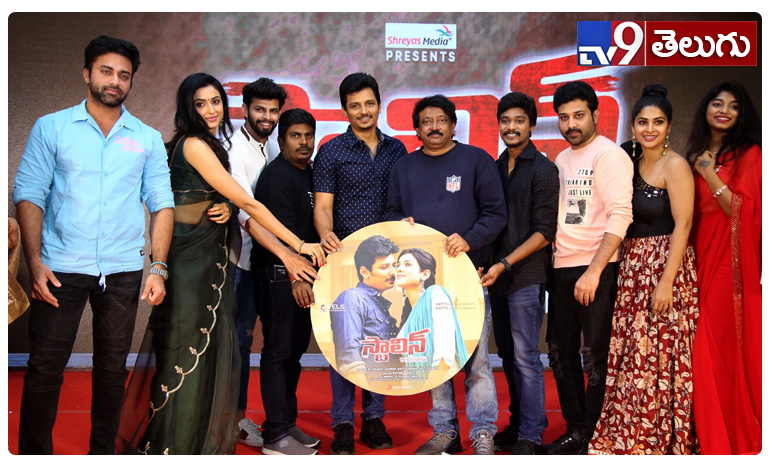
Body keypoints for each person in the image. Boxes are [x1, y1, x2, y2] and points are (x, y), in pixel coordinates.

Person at [116, 73, 324, 455]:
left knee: (210, 353)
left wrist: (226, 206)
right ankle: (174, 446)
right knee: (188, 352)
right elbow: (248, 204)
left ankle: (196, 441)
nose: (211, 110)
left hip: (212, 263)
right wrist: (295, 246)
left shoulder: (218, 145)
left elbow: (219, 198)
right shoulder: (195, 144)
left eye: (215, 101)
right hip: (192, 264)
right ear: (188, 108)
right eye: (200, 103)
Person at [12, 35, 175, 455]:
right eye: (106, 71)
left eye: (124, 75)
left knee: (111, 371)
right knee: (44, 369)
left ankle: (102, 456)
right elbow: (29, 193)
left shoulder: (147, 138)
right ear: (87, 74)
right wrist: (34, 261)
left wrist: (158, 268)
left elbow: (162, 204)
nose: (115, 81)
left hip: (122, 270)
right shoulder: (52, 127)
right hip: (59, 267)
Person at [384, 94, 507, 455]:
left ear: (453, 125)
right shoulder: (404, 168)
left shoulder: (476, 161)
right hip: (425, 282)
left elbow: (496, 214)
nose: (434, 127)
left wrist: (469, 240)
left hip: (468, 276)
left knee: (476, 358)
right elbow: (390, 213)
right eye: (426, 121)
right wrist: (400, 223)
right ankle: (445, 431)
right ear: (416, 129)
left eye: (441, 120)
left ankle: (483, 431)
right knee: (436, 357)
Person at [588, 84, 698, 455]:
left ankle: (659, 435)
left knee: (660, 354)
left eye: (658, 122)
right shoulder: (630, 162)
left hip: (666, 266)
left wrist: (666, 282)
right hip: (633, 267)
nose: (650, 129)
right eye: (642, 122)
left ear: (669, 126)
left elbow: (684, 225)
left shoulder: (675, 165)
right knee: (634, 353)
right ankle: (632, 432)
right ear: (632, 125)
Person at [312, 72, 406, 454]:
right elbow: (322, 207)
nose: (363, 111)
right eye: (355, 106)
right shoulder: (331, 151)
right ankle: (343, 423)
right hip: (343, 260)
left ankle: (374, 418)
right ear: (344, 110)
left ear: (379, 104)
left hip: (385, 263)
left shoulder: (397, 149)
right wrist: (325, 234)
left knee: (380, 338)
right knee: (345, 340)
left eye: (369, 103)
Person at [544, 80, 633, 455]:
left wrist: (594, 272)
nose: (571, 124)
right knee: (559, 354)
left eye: (578, 115)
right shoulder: (562, 159)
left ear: (596, 114)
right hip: (562, 268)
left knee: (595, 357)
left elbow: (621, 215)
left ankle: (596, 435)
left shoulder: (610, 155)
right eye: (564, 117)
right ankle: (576, 430)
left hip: (597, 268)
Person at [479, 92, 559, 455]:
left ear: (532, 125)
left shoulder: (543, 169)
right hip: (498, 277)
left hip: (525, 276)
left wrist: (505, 263)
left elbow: (544, 232)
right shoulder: (495, 167)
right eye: (505, 121)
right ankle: (516, 425)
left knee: (527, 357)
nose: (511, 127)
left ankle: (532, 434)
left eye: (519, 121)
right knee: (508, 356)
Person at [685, 81, 761, 455]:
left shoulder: (749, 155)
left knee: (712, 348)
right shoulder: (695, 154)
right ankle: (707, 436)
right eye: (718, 103)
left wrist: (708, 173)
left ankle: (725, 438)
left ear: (741, 115)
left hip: (728, 265)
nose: (724, 111)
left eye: (733, 106)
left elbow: (741, 210)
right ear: (706, 108)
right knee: (698, 350)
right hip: (697, 261)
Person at [249, 108, 321, 455]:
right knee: (278, 352)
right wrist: (295, 278)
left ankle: (285, 423)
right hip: (279, 276)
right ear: (281, 141)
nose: (303, 142)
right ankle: (276, 436)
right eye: (295, 136)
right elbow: (280, 236)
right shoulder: (276, 177)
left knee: (293, 352)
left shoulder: (308, 173)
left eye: (308, 135)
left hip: (304, 276)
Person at [227, 77, 291, 448]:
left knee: (250, 344)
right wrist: (290, 251)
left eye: (272, 111)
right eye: (259, 110)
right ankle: (229, 421)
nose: (266, 116)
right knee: (235, 346)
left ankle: (237, 419)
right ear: (245, 109)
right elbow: (246, 214)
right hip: (237, 264)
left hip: (262, 263)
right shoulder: (234, 149)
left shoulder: (272, 147)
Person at [395, 248, 468, 387]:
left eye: (407, 264)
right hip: (422, 384)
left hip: (438, 381)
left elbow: (444, 349)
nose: (399, 269)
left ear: (425, 274)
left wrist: (430, 383)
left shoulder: (436, 293)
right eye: (398, 265)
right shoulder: (409, 312)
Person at [331, 235, 400, 378]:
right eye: (385, 267)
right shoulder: (352, 297)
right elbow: (349, 355)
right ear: (364, 272)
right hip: (367, 382)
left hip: (382, 383)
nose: (393, 272)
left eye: (394, 265)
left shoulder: (378, 303)